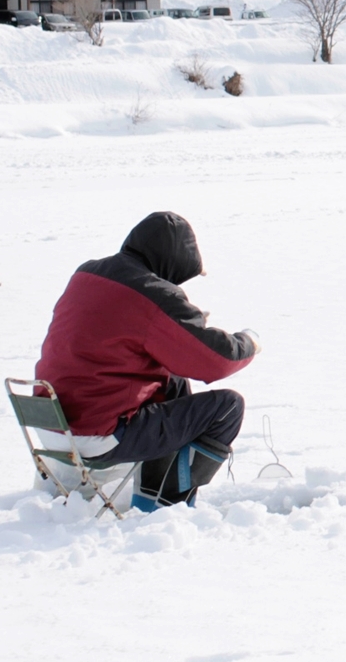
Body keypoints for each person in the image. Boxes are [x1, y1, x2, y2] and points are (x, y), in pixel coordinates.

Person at [34, 212, 259, 510]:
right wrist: (250, 342)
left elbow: (117, 333)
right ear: (173, 261)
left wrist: (174, 329)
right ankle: (162, 504)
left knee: (172, 380)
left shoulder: (86, 275)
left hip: (52, 427)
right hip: (98, 435)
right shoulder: (152, 292)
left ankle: (155, 489)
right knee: (227, 407)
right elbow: (215, 360)